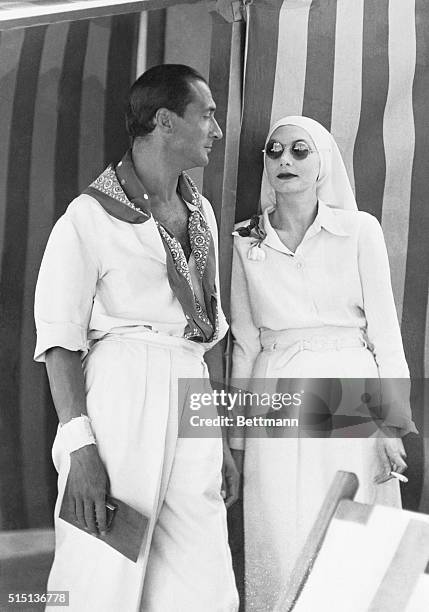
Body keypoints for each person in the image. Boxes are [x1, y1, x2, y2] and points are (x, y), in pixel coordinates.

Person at [34, 64, 239, 612]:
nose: (217, 130)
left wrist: (214, 434)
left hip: (188, 382)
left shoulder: (202, 215)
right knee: (105, 564)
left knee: (202, 570)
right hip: (122, 392)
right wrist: (79, 450)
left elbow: (207, 331)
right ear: (166, 122)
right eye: (209, 115)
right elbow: (58, 341)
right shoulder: (87, 217)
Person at [229, 116, 416, 611]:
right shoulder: (244, 241)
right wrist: (235, 441)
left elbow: (385, 334)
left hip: (350, 389)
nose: (284, 160)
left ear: (322, 165)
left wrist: (392, 424)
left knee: (349, 532)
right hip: (275, 394)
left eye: (299, 151)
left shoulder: (359, 231)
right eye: (274, 151)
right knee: (279, 528)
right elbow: (245, 344)